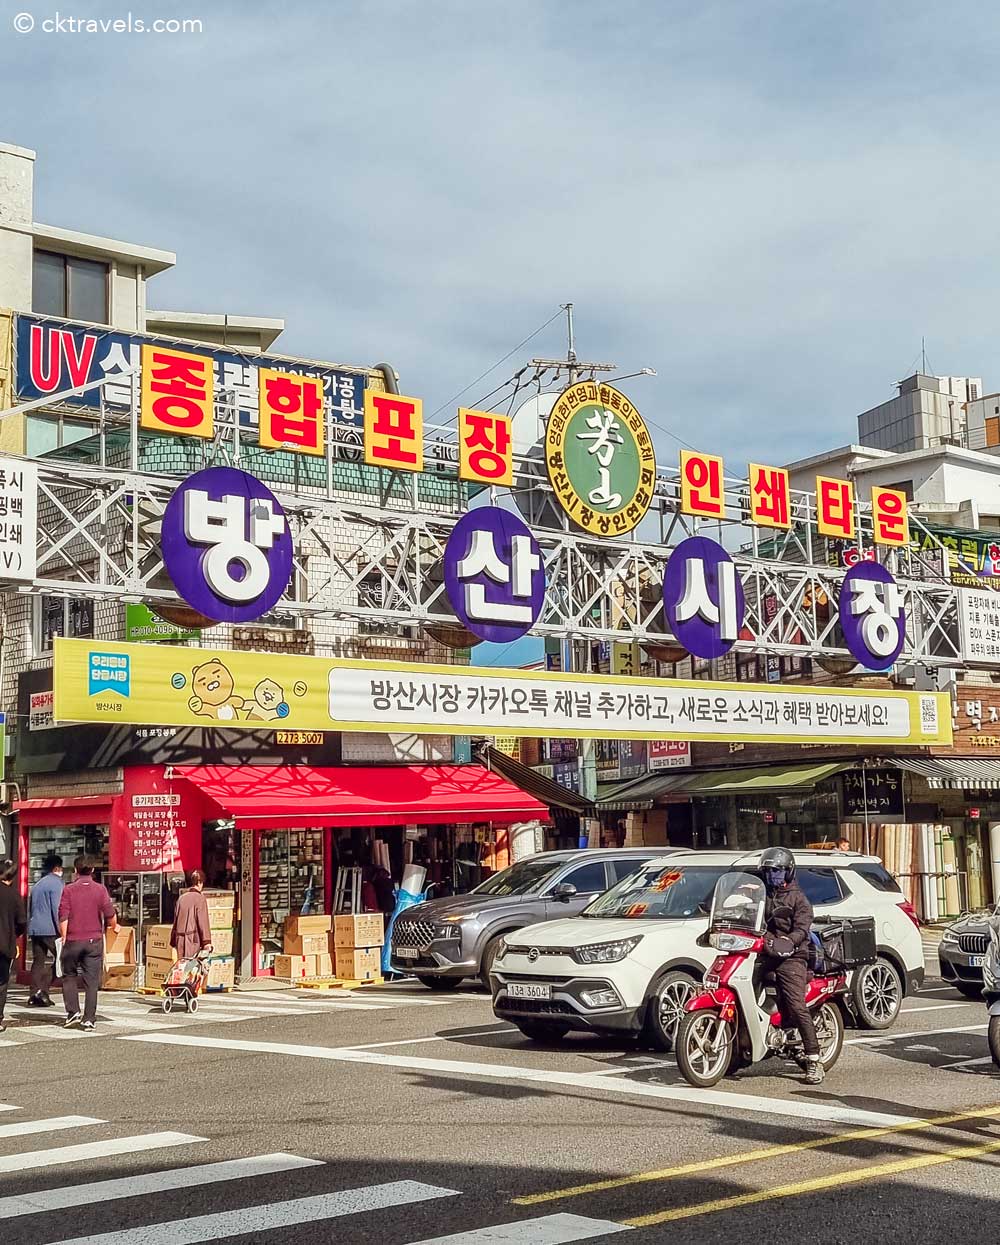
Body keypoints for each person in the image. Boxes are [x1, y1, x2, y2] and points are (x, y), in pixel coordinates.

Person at [759, 846, 823, 1086]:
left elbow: (802, 928)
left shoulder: (799, 899)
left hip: (792, 955)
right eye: (768, 871)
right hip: (764, 950)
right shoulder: (762, 892)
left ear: (788, 871)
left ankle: (814, 1058)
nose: (772, 875)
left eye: (777, 871)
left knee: (797, 1006)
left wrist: (790, 940)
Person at [58, 858, 117, 1033]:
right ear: (92, 870)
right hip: (94, 941)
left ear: (76, 870)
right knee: (91, 982)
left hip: (73, 940)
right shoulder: (100, 889)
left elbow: (63, 916)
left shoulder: (68, 890)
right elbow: (110, 913)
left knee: (69, 975)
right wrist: (115, 926)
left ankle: (73, 1011)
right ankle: (89, 1019)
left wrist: (64, 936)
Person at [28, 854, 64, 1007]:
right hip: (50, 929)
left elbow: (31, 907)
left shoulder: (38, 884)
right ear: (57, 868)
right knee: (61, 959)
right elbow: (57, 909)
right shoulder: (57, 884)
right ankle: (43, 991)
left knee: (38, 961)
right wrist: (62, 930)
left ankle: (33, 993)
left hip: (35, 927)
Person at [0, 859, 27, 1034]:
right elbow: (22, 922)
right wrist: (14, 934)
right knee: (1, 982)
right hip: (4, 944)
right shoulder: (14, 895)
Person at [170, 870, 212, 961]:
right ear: (200, 883)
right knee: (192, 968)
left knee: (181, 967)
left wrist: (173, 940)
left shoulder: (181, 898)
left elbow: (175, 920)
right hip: (192, 939)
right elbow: (203, 922)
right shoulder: (200, 899)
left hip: (179, 939)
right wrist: (206, 942)